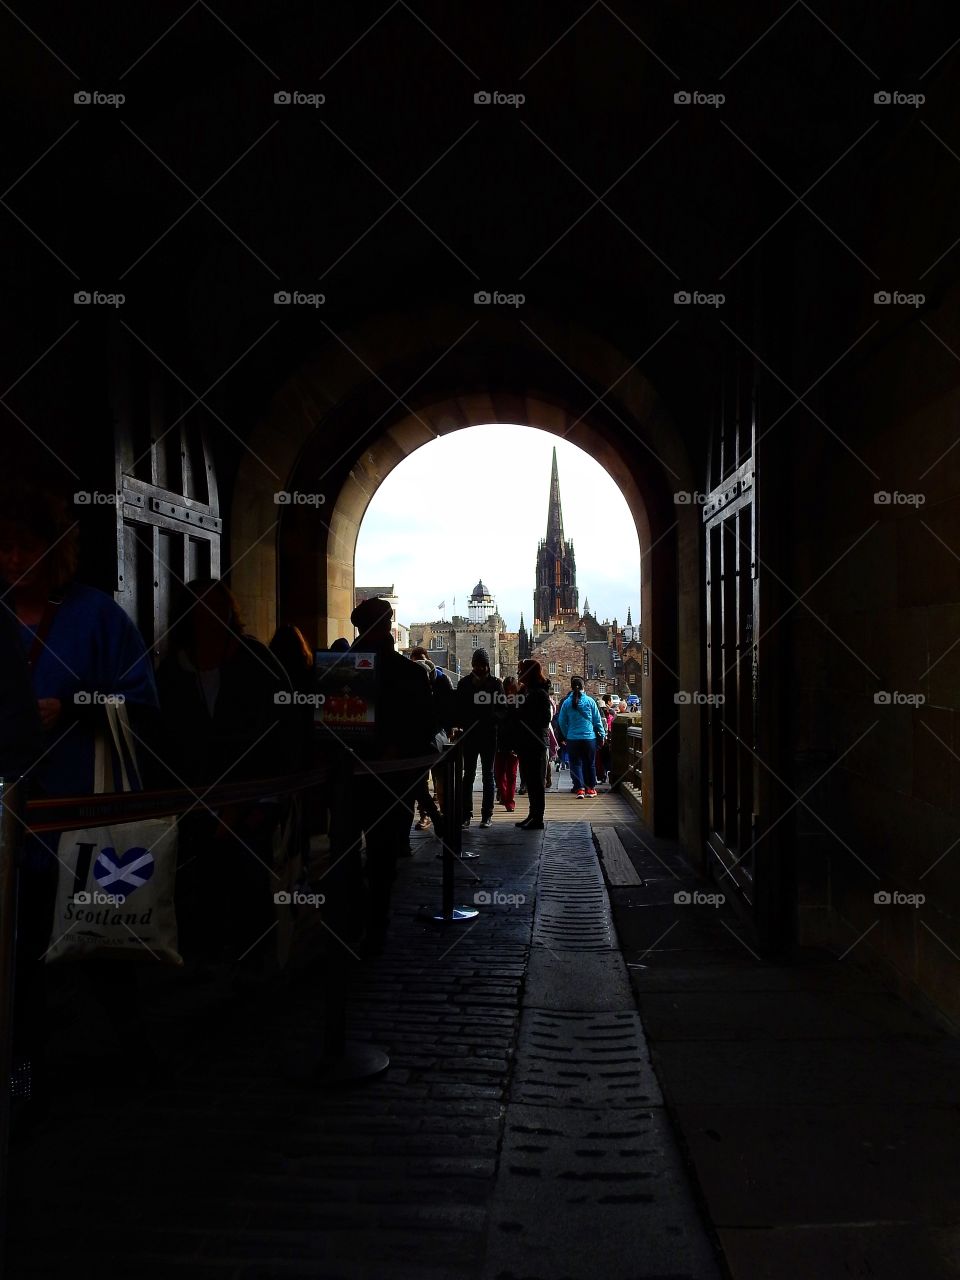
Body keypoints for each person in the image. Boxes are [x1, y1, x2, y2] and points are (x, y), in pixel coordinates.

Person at [0, 486, 159, 1119]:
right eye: (4, 548)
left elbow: (142, 701)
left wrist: (71, 708)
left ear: (55, 550)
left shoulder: (96, 617)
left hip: (82, 818)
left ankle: (136, 1058)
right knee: (15, 969)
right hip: (11, 827)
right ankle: (21, 1091)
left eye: (26, 547)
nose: (13, 560)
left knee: (103, 948)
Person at [157, 578, 295, 968]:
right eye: (197, 610)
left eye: (214, 608)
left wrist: (265, 799)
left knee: (251, 884)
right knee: (198, 887)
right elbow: (162, 738)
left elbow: (281, 732)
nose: (206, 618)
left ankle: (254, 964)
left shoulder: (256, 661)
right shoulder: (174, 670)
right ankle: (204, 961)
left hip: (252, 802)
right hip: (195, 804)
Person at [325, 596, 435, 954]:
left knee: (345, 853)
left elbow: (329, 728)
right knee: (381, 857)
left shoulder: (342, 669)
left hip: (352, 778)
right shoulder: (410, 673)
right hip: (389, 781)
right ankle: (374, 925)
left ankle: (352, 922)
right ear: (389, 627)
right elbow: (424, 728)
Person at [450, 648, 502, 829]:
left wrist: (492, 718)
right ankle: (467, 814)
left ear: (487, 665)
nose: (479, 668)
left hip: (488, 734)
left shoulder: (495, 684)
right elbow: (457, 709)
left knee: (487, 775)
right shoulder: (465, 684)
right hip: (471, 735)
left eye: (482, 665)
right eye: (477, 665)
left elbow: (502, 710)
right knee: (469, 776)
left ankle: (486, 814)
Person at [409, 646, 453, 832]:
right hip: (419, 738)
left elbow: (449, 707)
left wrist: (448, 728)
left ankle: (442, 815)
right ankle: (428, 816)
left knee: (439, 781)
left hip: (437, 736)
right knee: (421, 783)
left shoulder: (442, 681)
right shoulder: (410, 681)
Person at [514, 658, 552, 830]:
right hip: (526, 742)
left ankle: (538, 818)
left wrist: (523, 718)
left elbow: (545, 719)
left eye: (521, 670)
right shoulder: (526, 691)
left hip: (536, 743)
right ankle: (532, 814)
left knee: (537, 782)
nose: (518, 673)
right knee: (530, 780)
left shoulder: (540, 694)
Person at [557, 676, 605, 798]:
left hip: (573, 738)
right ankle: (590, 788)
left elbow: (561, 721)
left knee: (575, 764)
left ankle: (579, 789)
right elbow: (597, 720)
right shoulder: (590, 701)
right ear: (584, 687)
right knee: (590, 763)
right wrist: (602, 734)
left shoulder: (567, 702)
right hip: (589, 738)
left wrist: (567, 733)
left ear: (571, 688)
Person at [493, 676, 521, 812]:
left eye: (512, 689)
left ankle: (509, 801)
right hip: (500, 742)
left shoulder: (519, 703)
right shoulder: (499, 702)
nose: (510, 692)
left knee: (512, 774)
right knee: (499, 774)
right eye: (507, 689)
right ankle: (505, 797)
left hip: (513, 743)